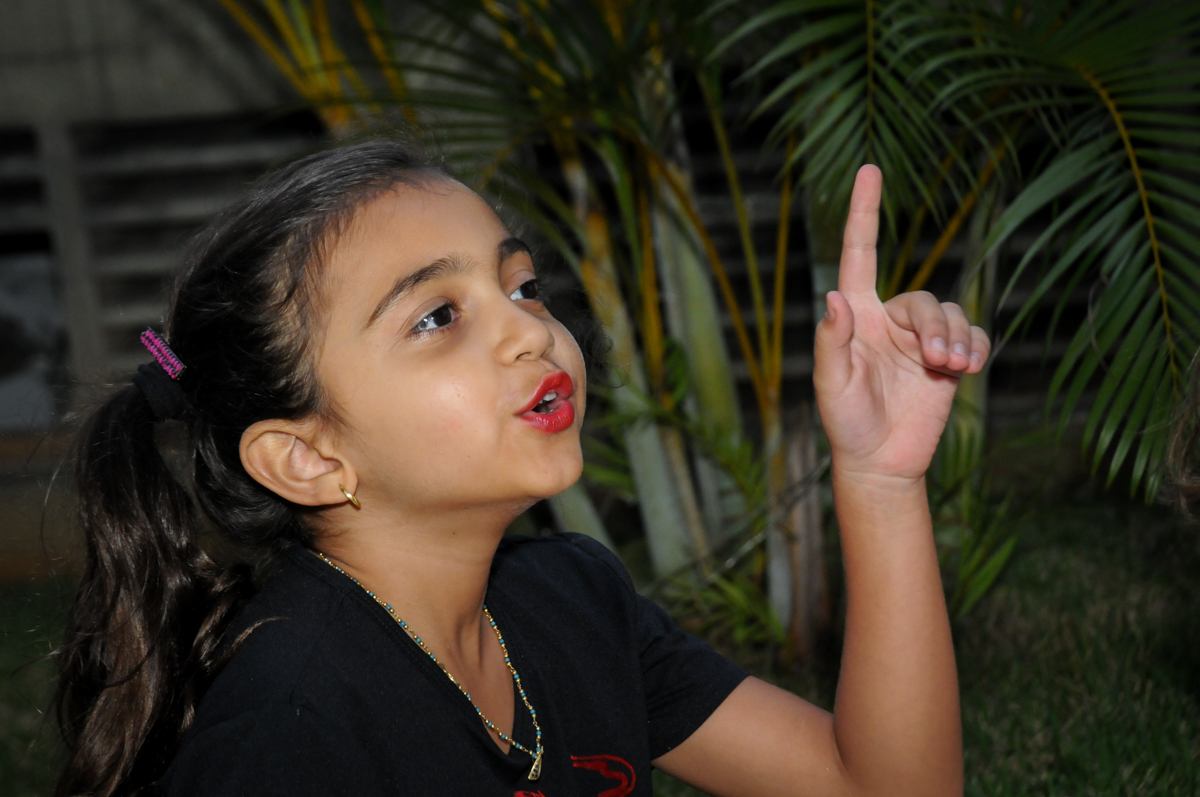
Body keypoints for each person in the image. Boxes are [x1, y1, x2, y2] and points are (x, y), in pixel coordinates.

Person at [54, 141, 989, 797]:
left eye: (521, 284)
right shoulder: (292, 725)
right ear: (306, 456)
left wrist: (879, 478)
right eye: (437, 317)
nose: (528, 329)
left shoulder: (574, 601)